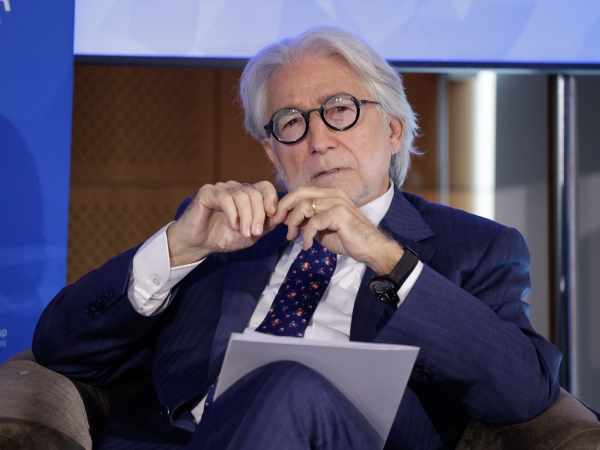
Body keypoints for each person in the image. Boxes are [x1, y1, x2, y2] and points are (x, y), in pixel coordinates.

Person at [32, 26, 561, 450]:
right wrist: (179, 249)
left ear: (393, 129)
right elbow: (61, 350)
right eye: (291, 122)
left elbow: (523, 391)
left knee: (290, 379)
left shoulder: (476, 248)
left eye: (340, 109)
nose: (318, 140)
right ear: (272, 152)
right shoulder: (229, 237)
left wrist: (388, 259)